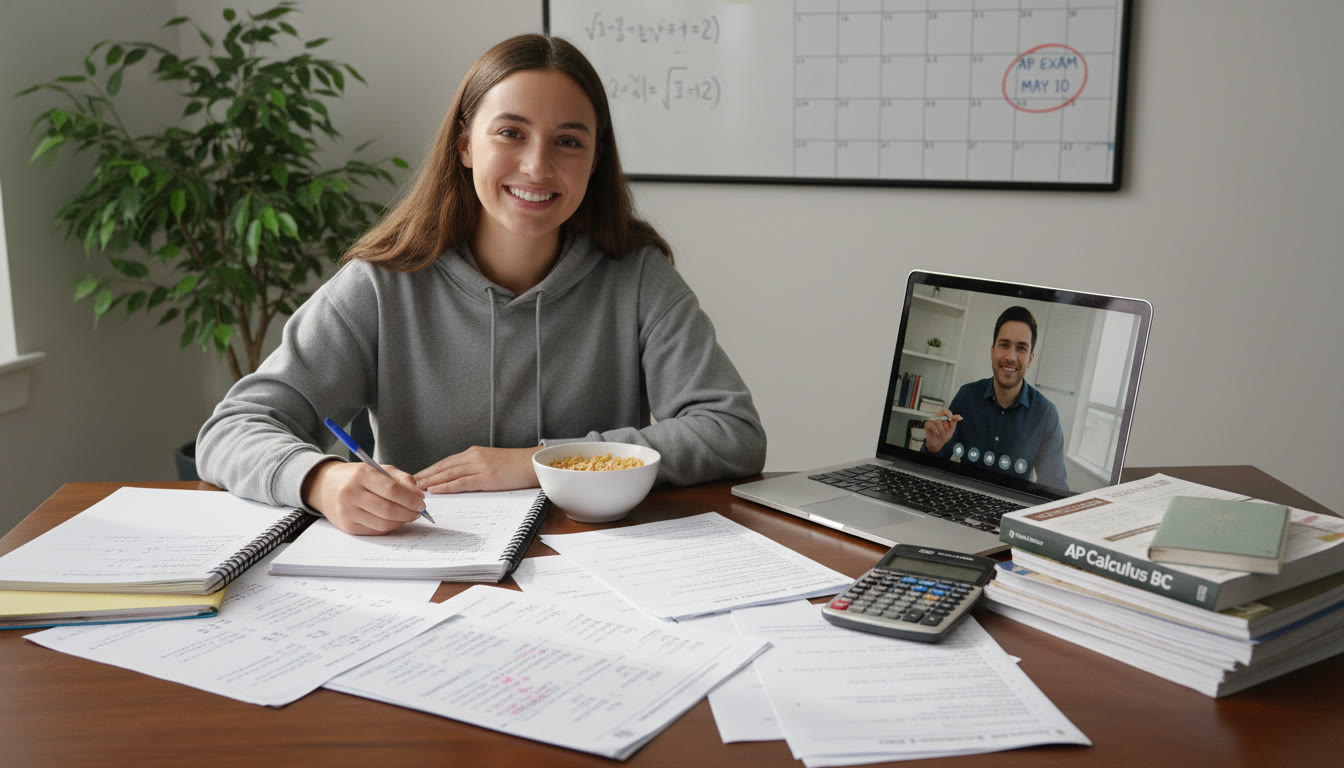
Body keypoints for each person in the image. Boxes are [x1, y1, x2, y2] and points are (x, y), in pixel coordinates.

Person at [196, 34, 766, 535]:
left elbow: (731, 432)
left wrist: (543, 462)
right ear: (466, 146)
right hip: (426, 570)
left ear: (594, 162)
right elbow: (232, 430)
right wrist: (319, 478)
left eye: (569, 141)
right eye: (511, 133)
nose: (538, 167)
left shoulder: (639, 278)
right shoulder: (379, 285)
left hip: (598, 568)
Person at [921, 306, 1067, 490]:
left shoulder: (1046, 414)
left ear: (1030, 359)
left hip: (1012, 511)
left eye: (1021, 348)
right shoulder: (967, 396)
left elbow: (1055, 487)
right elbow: (929, 472)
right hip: (961, 501)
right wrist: (932, 448)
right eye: (1004, 345)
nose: (1011, 357)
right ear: (992, 351)